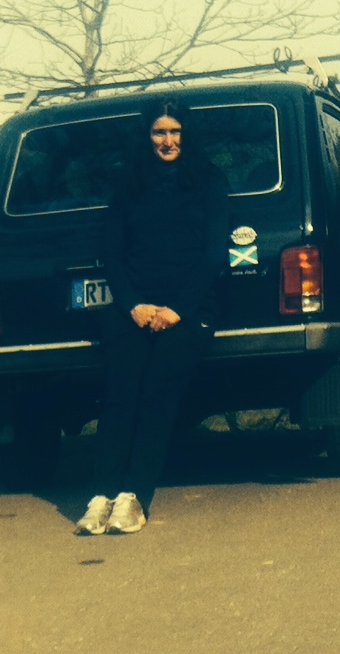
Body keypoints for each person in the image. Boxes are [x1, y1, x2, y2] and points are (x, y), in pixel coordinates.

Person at [76, 99, 229, 535]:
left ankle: (134, 498)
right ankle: (101, 496)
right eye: (159, 132)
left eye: (175, 131)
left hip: (190, 310)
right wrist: (133, 305)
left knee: (156, 394)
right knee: (120, 395)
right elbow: (112, 253)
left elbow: (214, 254)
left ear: (186, 134)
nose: (167, 140)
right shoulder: (128, 184)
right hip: (135, 309)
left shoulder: (210, 182)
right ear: (147, 137)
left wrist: (178, 309)